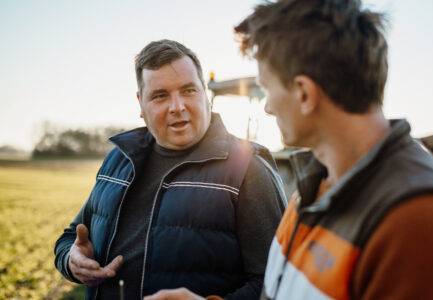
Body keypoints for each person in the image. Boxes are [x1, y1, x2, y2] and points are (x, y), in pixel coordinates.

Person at [234, 0, 433, 299]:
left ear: (304, 93)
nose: (266, 107)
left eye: (267, 88)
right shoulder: (312, 186)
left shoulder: (421, 228)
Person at [54, 39, 286, 300]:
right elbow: (71, 237)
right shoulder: (117, 160)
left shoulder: (248, 167)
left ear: (205, 94)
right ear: (141, 104)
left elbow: (276, 284)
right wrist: (71, 260)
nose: (177, 107)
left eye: (188, 91)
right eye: (160, 95)